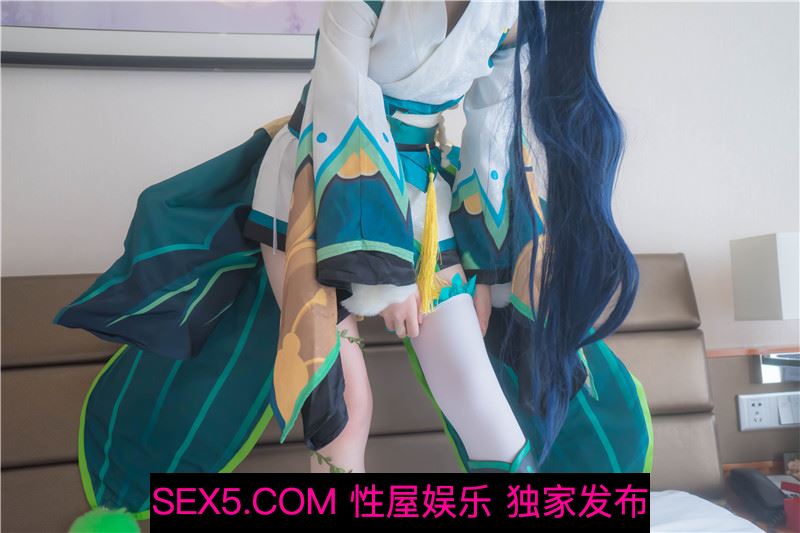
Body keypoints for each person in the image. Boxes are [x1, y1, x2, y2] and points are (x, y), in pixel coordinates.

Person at [55, 0, 653, 527]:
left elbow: (494, 131)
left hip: (422, 201)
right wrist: (381, 282)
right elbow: (341, 104)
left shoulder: (513, 13)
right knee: (344, 408)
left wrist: (492, 267)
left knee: (486, 403)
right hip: (314, 188)